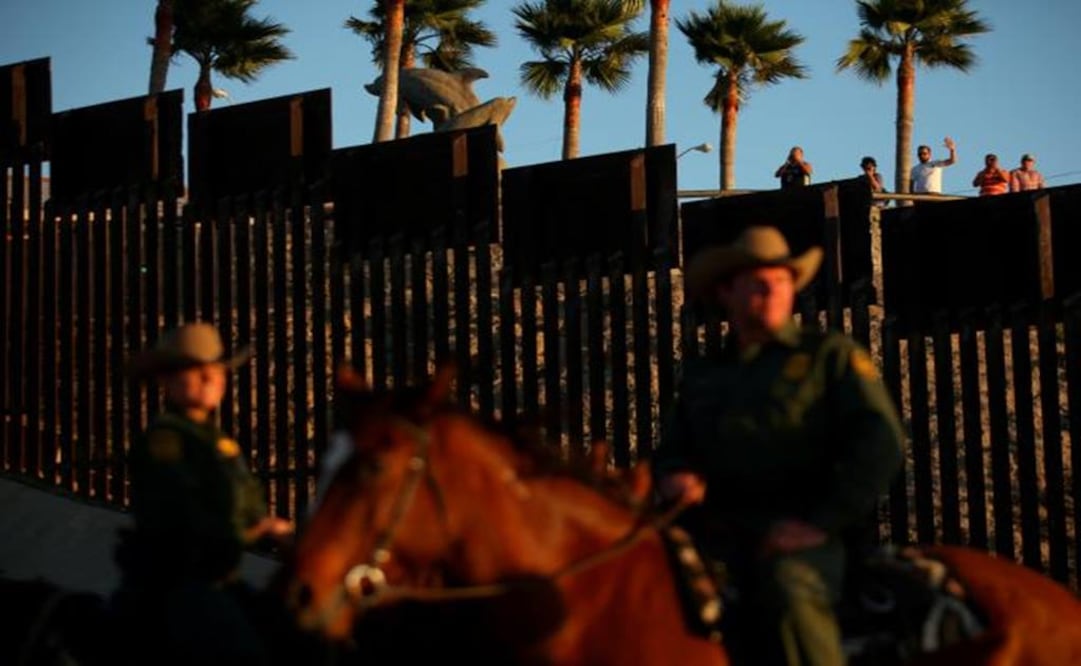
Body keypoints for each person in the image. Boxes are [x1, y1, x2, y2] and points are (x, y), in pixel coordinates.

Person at [653, 226, 904, 666]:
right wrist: (675, 473)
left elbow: (879, 441)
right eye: (758, 282)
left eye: (782, 281)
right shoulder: (704, 373)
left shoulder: (830, 356)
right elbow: (673, 448)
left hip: (809, 531)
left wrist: (820, 521)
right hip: (713, 532)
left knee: (789, 590)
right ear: (727, 292)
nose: (772, 291)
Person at [111, 322, 293, 666]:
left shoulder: (219, 442)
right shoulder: (166, 440)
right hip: (180, 582)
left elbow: (250, 504)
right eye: (195, 371)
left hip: (223, 578)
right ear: (166, 381)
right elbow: (179, 515)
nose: (210, 378)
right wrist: (253, 531)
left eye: (216, 370)